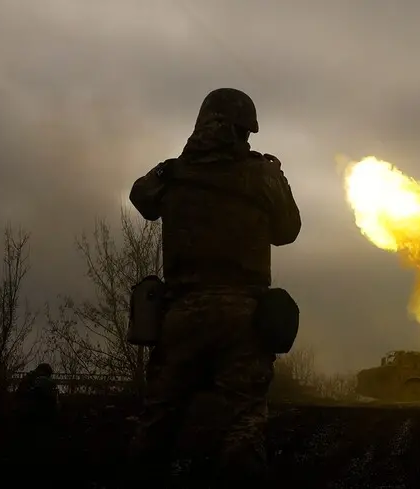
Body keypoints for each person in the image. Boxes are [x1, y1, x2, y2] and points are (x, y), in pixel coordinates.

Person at [128, 88, 301, 485]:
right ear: (244, 130)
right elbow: (288, 230)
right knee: (244, 424)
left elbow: (141, 197)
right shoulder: (261, 176)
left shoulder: (172, 173)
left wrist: (170, 170)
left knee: (158, 423)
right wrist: (276, 178)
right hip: (244, 318)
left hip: (181, 315)